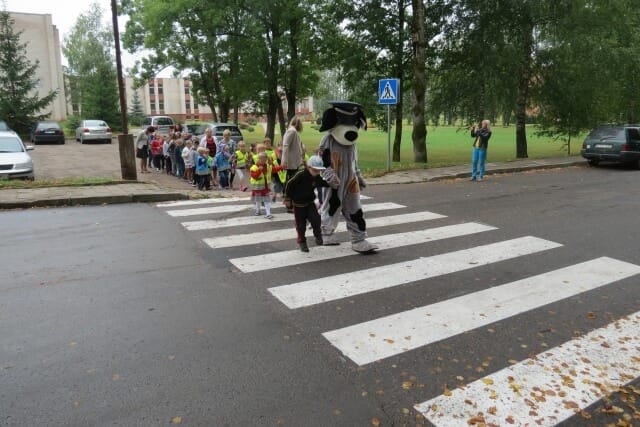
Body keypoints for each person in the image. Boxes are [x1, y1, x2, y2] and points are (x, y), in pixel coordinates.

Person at [284, 155, 326, 252]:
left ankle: (318, 235)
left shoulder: (316, 177)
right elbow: (289, 184)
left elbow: (322, 182)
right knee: (301, 226)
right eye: (315, 170)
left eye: (319, 171)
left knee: (316, 220)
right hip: (298, 205)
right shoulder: (300, 174)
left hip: (310, 202)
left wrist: (331, 184)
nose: (317, 173)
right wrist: (287, 198)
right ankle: (302, 242)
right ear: (309, 167)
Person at [250, 152, 283, 219]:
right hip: (257, 188)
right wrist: (259, 170)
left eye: (264, 159)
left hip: (265, 188)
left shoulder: (268, 166)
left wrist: (281, 167)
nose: (263, 161)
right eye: (261, 159)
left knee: (266, 200)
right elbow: (254, 176)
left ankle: (268, 214)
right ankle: (258, 211)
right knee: (258, 200)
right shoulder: (254, 167)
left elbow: (274, 170)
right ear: (258, 159)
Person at [281, 116, 305, 184]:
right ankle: (287, 193)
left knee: (292, 180)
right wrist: (285, 161)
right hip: (290, 162)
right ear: (298, 123)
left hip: (293, 162)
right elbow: (285, 145)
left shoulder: (293, 131)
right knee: (290, 180)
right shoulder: (292, 131)